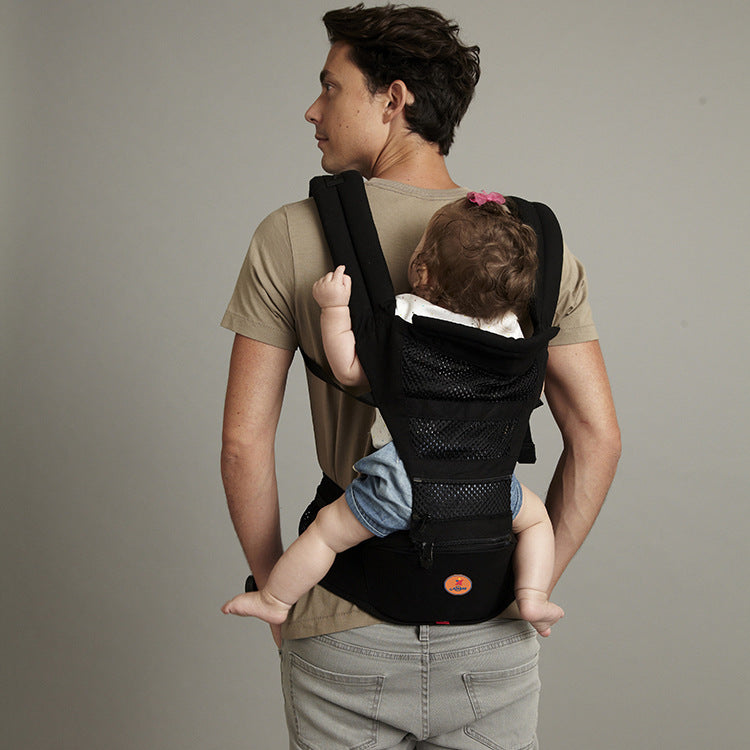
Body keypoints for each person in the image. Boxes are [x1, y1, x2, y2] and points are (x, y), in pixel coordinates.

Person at [220, 4, 620, 747]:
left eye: (330, 88)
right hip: (491, 621)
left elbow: (244, 445)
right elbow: (598, 438)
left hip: (345, 620)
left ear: (393, 99)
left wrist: (280, 592)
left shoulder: (291, 232)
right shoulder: (534, 249)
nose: (312, 110)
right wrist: (527, 586)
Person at [221, 194, 565, 638]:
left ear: (422, 272)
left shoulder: (406, 314)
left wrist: (333, 308)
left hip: (405, 480)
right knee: (536, 520)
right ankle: (533, 596)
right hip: (487, 483)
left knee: (327, 532)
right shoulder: (512, 331)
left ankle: (275, 599)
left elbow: (349, 369)